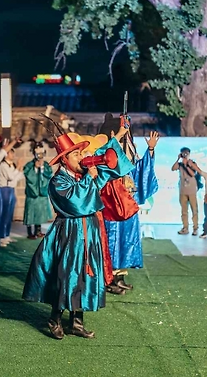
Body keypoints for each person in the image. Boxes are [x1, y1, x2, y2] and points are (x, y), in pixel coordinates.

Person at [23, 120, 133, 340]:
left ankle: (77, 322)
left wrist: (116, 139)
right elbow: (74, 202)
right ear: (65, 159)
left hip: (88, 232)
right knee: (67, 276)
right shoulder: (58, 181)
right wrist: (89, 179)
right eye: (76, 155)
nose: (81, 157)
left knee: (85, 276)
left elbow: (107, 169)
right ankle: (55, 318)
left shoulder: (83, 175)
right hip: (69, 233)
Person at [104, 130, 159, 291]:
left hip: (129, 211)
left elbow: (144, 170)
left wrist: (150, 149)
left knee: (127, 242)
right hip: (113, 212)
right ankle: (109, 279)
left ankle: (120, 277)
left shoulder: (131, 168)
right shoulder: (108, 166)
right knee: (113, 243)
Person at [23, 142, 53, 239]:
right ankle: (30, 232)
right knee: (30, 213)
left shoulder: (46, 165)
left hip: (42, 193)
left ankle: (38, 231)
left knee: (40, 213)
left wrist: (42, 167)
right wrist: (35, 168)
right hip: (32, 193)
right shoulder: (29, 165)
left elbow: (49, 174)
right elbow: (28, 175)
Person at [172, 147, 201, 235]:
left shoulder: (192, 163)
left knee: (194, 210)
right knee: (184, 211)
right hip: (183, 191)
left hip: (192, 191)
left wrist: (186, 165)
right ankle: (185, 228)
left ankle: (195, 228)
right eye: (183, 153)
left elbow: (193, 174)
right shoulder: (180, 164)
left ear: (189, 154)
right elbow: (173, 168)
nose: (185, 155)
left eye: (186, 153)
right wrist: (178, 159)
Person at [0, 147, 24, 247]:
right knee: (4, 214)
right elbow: (10, 177)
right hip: (4, 189)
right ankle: (1, 236)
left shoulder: (12, 165)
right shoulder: (3, 165)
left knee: (10, 214)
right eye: (11, 153)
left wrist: (20, 168)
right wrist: (18, 167)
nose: (13, 155)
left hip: (11, 189)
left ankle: (7, 234)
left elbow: (16, 178)